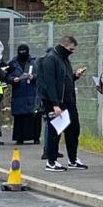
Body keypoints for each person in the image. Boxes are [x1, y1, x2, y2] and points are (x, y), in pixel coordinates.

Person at [37, 35, 88, 171]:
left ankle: (73, 159)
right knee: (55, 131)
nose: (72, 51)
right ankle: (51, 161)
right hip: (56, 101)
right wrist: (55, 104)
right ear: (64, 46)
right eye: (71, 49)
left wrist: (74, 76)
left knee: (73, 129)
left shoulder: (64, 59)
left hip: (68, 100)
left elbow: (63, 80)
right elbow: (50, 83)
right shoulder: (51, 59)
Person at [8, 44, 40, 145]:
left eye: (24, 51)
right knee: (19, 116)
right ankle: (19, 138)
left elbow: (40, 75)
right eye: (21, 51)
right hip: (18, 92)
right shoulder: (13, 63)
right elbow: (7, 76)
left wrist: (33, 77)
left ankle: (35, 137)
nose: (22, 53)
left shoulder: (33, 62)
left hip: (31, 92)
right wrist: (13, 79)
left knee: (33, 115)